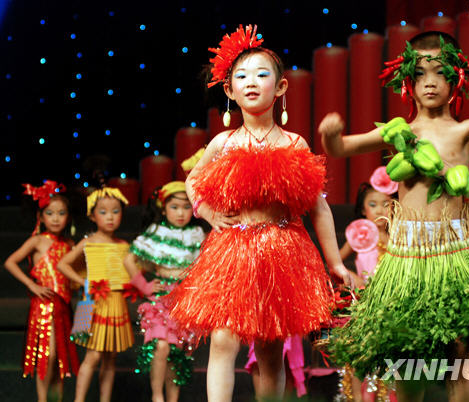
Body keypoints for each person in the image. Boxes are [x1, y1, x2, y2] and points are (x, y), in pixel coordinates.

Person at [319, 31, 469, 402]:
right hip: (406, 259)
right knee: (408, 352)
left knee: (462, 347)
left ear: (457, 79)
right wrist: (330, 136)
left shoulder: (466, 131)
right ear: (407, 81)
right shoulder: (400, 133)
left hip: (454, 254)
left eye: (439, 73)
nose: (430, 81)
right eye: (419, 74)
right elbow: (341, 148)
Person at [165, 24, 353, 401]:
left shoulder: (295, 144)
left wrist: (335, 263)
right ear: (230, 91)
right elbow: (193, 181)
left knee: (271, 349)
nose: (252, 82)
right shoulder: (224, 141)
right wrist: (206, 211)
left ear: (280, 88)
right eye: (242, 76)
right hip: (232, 251)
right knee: (222, 339)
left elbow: (319, 208)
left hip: (282, 252)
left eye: (262, 74)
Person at [124, 181, 205, 402]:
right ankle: (157, 396)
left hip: (184, 298)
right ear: (163, 208)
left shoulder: (197, 233)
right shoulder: (156, 231)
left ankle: (172, 398)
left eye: (186, 207)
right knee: (160, 346)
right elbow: (129, 259)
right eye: (174, 207)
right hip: (160, 297)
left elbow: (204, 266)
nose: (180, 213)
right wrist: (144, 285)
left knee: (177, 352)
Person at [56, 186, 134, 402]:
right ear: (92, 215)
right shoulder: (88, 242)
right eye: (103, 212)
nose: (110, 217)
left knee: (110, 357)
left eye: (115, 211)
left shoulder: (123, 245)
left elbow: (130, 273)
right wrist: (84, 282)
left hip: (116, 302)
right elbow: (63, 264)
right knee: (93, 355)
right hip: (92, 302)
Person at [4, 180, 79, 401]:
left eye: (61, 213)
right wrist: (31, 285)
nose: (55, 218)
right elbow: (10, 262)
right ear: (41, 216)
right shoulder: (37, 241)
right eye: (50, 213)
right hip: (44, 305)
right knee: (47, 354)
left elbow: (73, 276)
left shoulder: (69, 244)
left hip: (64, 306)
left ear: (68, 216)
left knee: (60, 359)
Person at [337, 167, 396, 401]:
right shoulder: (359, 235)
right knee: (362, 356)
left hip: (390, 304)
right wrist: (354, 279)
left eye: (386, 203)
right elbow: (335, 264)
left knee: (389, 356)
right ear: (363, 210)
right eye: (372, 204)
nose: (379, 209)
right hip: (365, 304)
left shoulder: (398, 237)